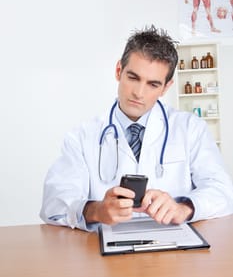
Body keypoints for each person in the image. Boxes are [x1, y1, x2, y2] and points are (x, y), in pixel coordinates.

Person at [40, 25, 233, 231]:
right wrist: (95, 210)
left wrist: (184, 208)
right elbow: (53, 205)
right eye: (133, 78)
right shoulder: (82, 137)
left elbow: (222, 191)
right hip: (104, 252)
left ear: (166, 87)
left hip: (175, 251)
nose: (139, 93)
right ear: (118, 71)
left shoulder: (190, 129)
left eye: (153, 84)